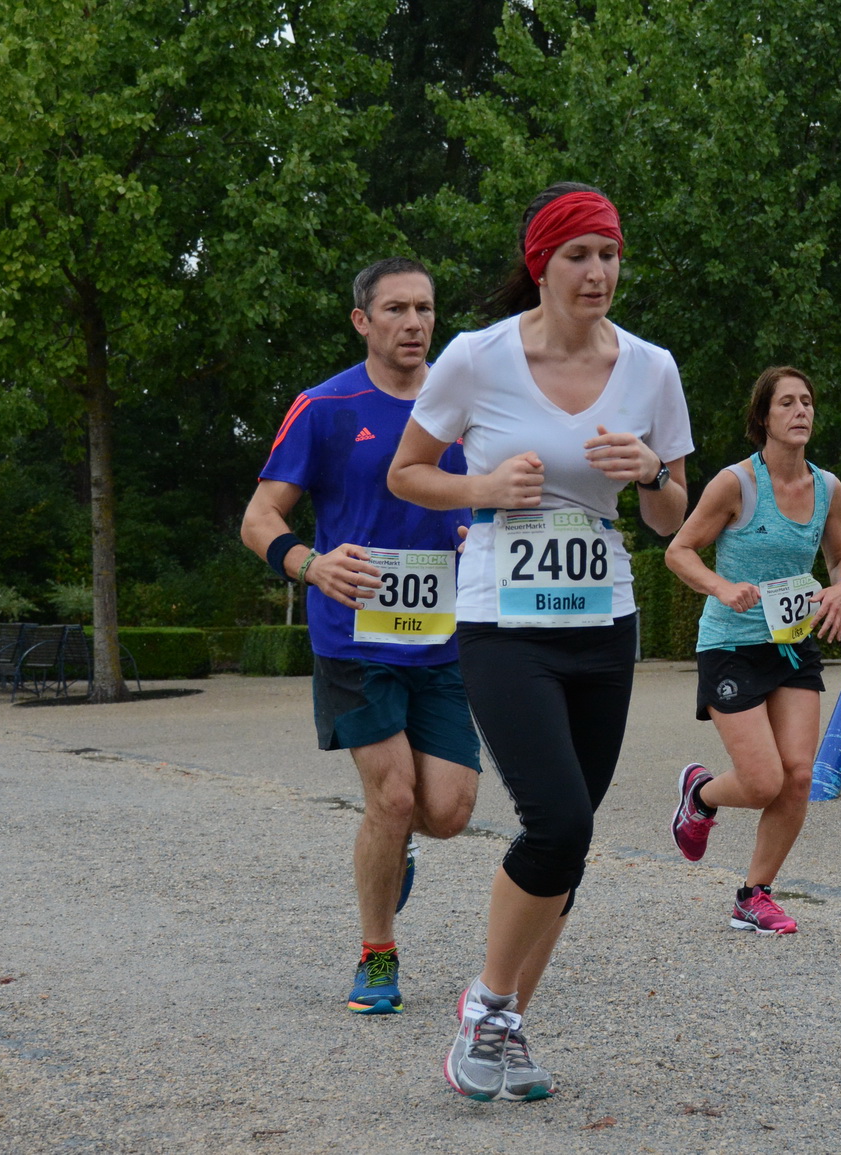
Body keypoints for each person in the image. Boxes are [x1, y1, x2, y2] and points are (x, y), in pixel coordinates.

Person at [388, 183, 692, 1102]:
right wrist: (480, 489)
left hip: (604, 619)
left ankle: (506, 1022)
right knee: (557, 820)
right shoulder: (477, 357)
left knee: (572, 838)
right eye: (578, 256)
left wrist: (651, 472)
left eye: (610, 254)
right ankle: (488, 1005)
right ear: (542, 264)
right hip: (504, 622)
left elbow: (672, 516)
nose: (598, 273)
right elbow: (408, 473)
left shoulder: (652, 368)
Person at [240, 257, 480, 1018]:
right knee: (393, 793)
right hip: (354, 637)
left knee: (449, 812)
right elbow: (259, 517)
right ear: (362, 321)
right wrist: (309, 564)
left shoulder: (467, 404)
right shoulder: (325, 407)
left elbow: (496, 496)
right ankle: (378, 954)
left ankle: (396, 839)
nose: (414, 322)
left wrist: (483, 535)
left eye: (425, 308)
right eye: (396, 309)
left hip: (443, 640)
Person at [663, 366, 841, 935]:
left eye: (807, 402)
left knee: (798, 777)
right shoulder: (737, 484)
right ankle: (700, 794)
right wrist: (722, 587)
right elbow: (680, 551)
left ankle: (754, 895)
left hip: (792, 647)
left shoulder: (828, 488)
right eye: (787, 403)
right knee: (762, 781)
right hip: (731, 646)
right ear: (763, 418)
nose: (801, 411)